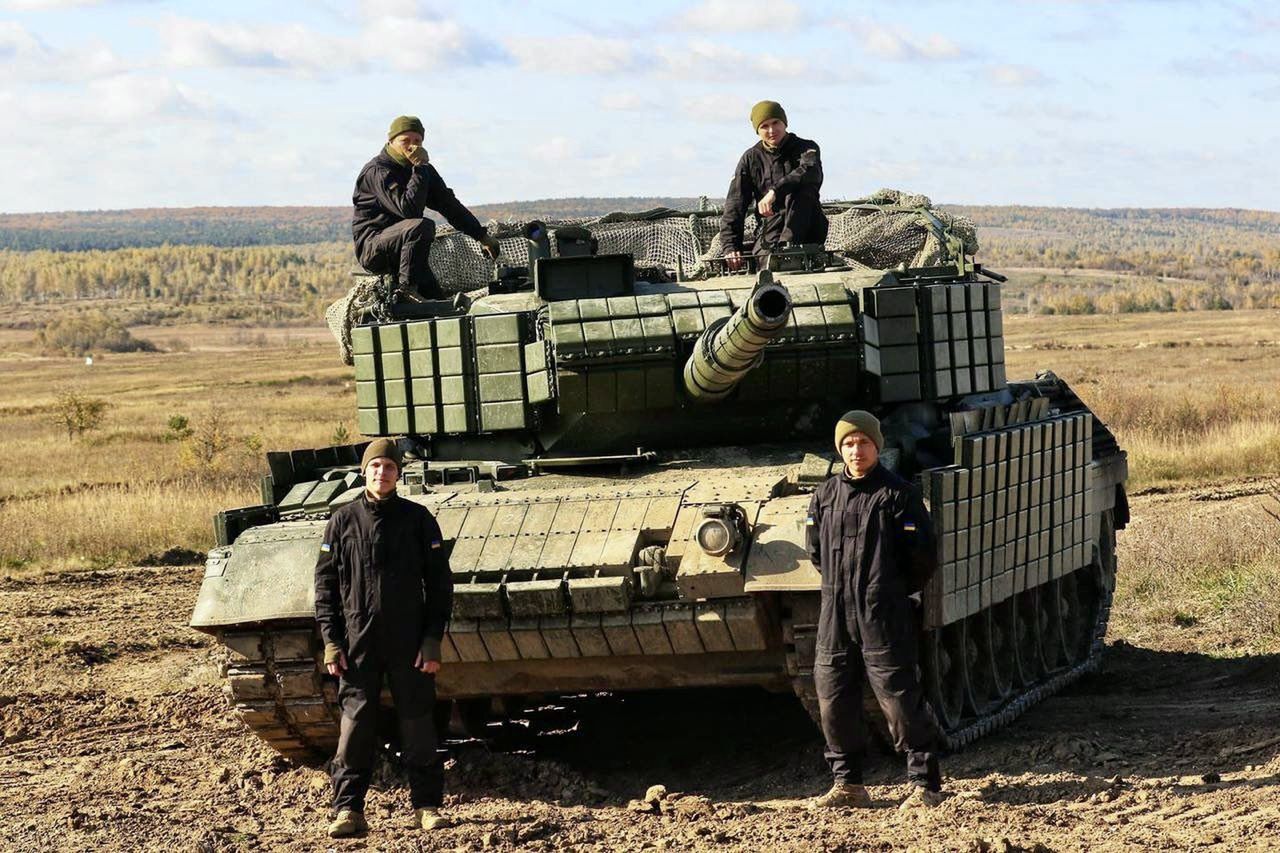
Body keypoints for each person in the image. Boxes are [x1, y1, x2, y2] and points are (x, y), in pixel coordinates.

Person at [805, 411, 945, 810]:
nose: (856, 450)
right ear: (840, 449)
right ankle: (848, 784)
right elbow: (815, 550)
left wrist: (889, 592)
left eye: (863, 442)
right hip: (835, 612)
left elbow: (922, 558)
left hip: (883, 612)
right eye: (848, 444)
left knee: (900, 700)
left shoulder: (898, 494)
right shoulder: (825, 495)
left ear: (876, 447)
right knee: (833, 700)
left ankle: (924, 785)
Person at [314, 438, 454, 837]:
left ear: (398, 473)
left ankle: (426, 806)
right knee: (355, 726)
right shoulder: (342, 521)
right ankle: (348, 810)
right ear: (364, 472)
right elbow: (324, 586)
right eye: (375, 467)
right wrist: (331, 640)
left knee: (418, 725)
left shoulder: (418, 519)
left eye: (389, 467)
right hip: (358, 642)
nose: (382, 473)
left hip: (409, 641)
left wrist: (432, 638)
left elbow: (440, 584)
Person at [352, 115, 501, 299]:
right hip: (374, 247)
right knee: (421, 225)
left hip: (409, 252)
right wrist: (420, 167)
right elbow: (409, 210)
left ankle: (415, 290)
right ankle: (406, 291)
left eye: (417, 141)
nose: (412, 146)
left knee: (439, 304)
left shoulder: (422, 169)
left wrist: (481, 235)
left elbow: (449, 205)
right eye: (405, 140)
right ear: (391, 141)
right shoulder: (378, 171)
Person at [718, 100, 827, 270]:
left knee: (801, 190)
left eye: (776, 122)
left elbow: (809, 171)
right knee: (765, 267)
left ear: (784, 123)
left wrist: (774, 191)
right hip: (771, 227)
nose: (771, 130)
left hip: (808, 228)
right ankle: (777, 255)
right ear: (757, 130)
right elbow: (735, 203)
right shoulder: (751, 159)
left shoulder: (807, 148)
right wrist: (730, 246)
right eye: (764, 126)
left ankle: (787, 249)